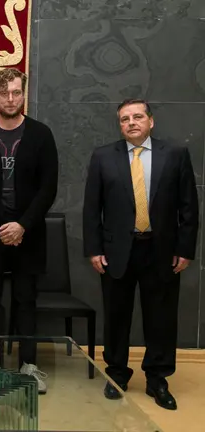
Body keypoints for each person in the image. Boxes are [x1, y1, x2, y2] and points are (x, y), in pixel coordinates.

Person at [83, 99, 198, 410]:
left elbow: (189, 206)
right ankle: (117, 373)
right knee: (117, 316)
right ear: (119, 125)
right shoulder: (103, 157)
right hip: (116, 251)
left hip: (161, 250)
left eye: (137, 117)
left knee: (160, 317)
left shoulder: (174, 155)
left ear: (151, 121)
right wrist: (93, 249)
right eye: (124, 119)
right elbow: (92, 208)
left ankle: (157, 379)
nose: (131, 123)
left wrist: (185, 250)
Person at [0, 68, 58, 394]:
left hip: (28, 233)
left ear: (23, 93)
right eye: (4, 93)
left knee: (25, 300)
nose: (11, 99)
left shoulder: (41, 134)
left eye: (16, 92)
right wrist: (5, 224)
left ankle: (28, 365)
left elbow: (48, 188)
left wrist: (22, 225)